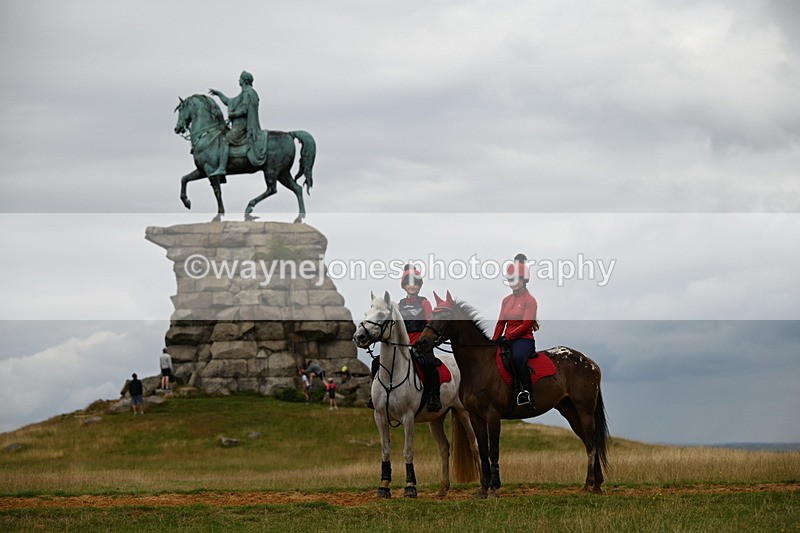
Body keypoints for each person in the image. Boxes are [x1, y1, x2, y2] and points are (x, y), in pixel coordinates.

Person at [492, 253, 539, 406]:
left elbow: (526, 324)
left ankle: (526, 392)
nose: (513, 283)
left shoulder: (530, 300)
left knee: (518, 359)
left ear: (524, 280)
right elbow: (500, 323)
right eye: (510, 279)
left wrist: (509, 336)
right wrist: (493, 341)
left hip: (523, 340)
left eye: (516, 279)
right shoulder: (506, 300)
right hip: (507, 338)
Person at [208, 70, 268, 176]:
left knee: (225, 140)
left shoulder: (248, 93)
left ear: (244, 81)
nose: (238, 80)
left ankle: (222, 168)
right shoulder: (243, 93)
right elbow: (229, 101)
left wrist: (233, 115)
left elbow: (245, 109)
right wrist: (219, 94)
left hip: (242, 127)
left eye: (240, 78)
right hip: (238, 126)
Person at [399, 264, 441, 412]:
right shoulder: (400, 305)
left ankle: (434, 397)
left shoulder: (425, 302)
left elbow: (429, 323)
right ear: (404, 285)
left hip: (421, 343)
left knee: (430, 365)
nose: (412, 286)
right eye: (409, 283)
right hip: (403, 345)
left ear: (419, 286)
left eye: (416, 283)